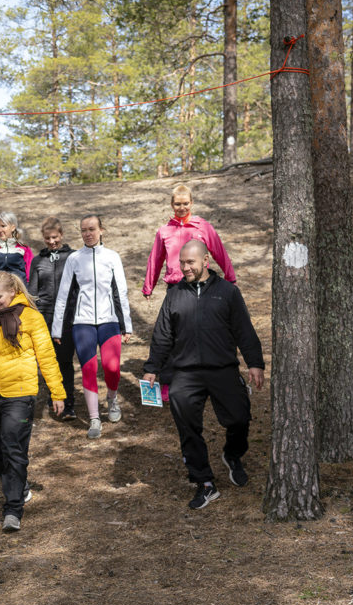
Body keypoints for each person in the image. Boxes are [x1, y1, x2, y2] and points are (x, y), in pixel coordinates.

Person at [141, 240, 264, 510]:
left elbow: (244, 329)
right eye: (181, 262)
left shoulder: (228, 292)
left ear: (205, 261)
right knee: (187, 427)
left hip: (223, 369)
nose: (185, 267)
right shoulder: (174, 294)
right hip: (185, 373)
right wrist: (152, 368)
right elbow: (163, 334)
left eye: (190, 262)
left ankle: (232, 455)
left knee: (240, 418)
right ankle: (204, 482)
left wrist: (255, 363)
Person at [0, 271, 64, 532]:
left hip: (20, 393)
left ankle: (13, 507)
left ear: (12, 292)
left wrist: (57, 392)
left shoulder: (31, 317)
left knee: (12, 443)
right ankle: (20, 482)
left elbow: (47, 357)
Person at [142, 184, 237, 402]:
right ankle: (167, 382)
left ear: (191, 203)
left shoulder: (203, 227)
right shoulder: (164, 231)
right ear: (171, 204)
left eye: (186, 203)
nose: (182, 207)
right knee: (170, 335)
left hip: (202, 287)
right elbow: (155, 259)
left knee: (203, 332)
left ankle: (208, 380)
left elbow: (219, 252)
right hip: (176, 288)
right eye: (178, 204)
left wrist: (230, 278)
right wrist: (149, 286)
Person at [51, 215, 132, 439]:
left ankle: (112, 400)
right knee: (88, 368)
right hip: (82, 322)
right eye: (84, 230)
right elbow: (63, 294)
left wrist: (126, 325)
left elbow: (121, 292)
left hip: (109, 321)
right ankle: (94, 417)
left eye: (92, 229)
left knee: (112, 367)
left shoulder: (112, 257)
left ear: (101, 230)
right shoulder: (75, 258)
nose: (88, 233)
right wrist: (57, 328)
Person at [27, 217, 77, 420]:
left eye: (55, 237)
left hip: (67, 317)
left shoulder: (73, 257)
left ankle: (68, 404)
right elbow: (32, 292)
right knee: (48, 361)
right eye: (47, 238)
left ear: (62, 235)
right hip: (44, 316)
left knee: (64, 361)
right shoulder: (38, 260)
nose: (51, 241)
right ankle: (53, 399)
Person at [0, 211, 33, 283]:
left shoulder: (24, 249)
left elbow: (30, 274)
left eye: (3, 226)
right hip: (0, 291)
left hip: (20, 291)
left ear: (13, 227)